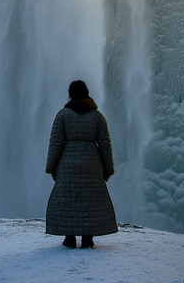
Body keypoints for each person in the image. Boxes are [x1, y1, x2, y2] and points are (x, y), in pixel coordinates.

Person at [45, 79, 118, 248]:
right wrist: (108, 169)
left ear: (70, 94)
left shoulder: (62, 115)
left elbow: (55, 143)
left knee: (68, 199)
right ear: (87, 93)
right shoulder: (97, 117)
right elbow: (105, 144)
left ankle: (69, 238)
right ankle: (88, 238)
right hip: (92, 163)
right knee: (90, 200)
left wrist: (51, 167)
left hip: (67, 163)